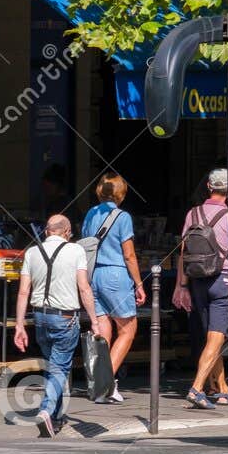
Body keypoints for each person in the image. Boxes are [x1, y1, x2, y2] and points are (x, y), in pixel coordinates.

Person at [13, 213, 101, 438]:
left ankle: (56, 416)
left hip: (40, 317)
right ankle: (46, 409)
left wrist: (20, 325)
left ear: (46, 231)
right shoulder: (76, 251)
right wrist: (95, 320)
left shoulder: (32, 253)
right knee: (60, 368)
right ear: (68, 232)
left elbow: (24, 291)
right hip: (64, 318)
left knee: (54, 367)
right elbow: (84, 288)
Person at [173, 168, 228, 409]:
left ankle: (222, 390)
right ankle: (197, 388)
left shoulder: (193, 213)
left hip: (197, 280)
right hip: (221, 280)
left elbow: (183, 251)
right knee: (216, 338)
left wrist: (181, 285)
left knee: (212, 338)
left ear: (209, 188)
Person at [81, 171, 146, 403]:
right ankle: (105, 385)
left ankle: (98, 383)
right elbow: (129, 255)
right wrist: (139, 283)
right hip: (115, 275)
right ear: (121, 193)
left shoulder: (90, 214)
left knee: (103, 330)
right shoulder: (123, 217)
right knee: (128, 329)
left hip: (93, 275)